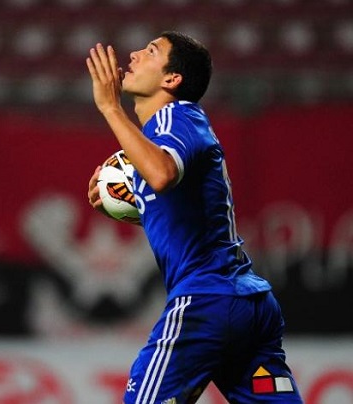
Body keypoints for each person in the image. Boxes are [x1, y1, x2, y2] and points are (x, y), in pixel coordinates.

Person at [86, 31, 303, 404]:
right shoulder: (167, 134)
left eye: (151, 50)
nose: (135, 54)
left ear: (172, 79)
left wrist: (109, 107)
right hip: (247, 304)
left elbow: (161, 174)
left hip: (207, 301)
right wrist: (137, 203)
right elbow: (182, 200)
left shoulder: (175, 117)